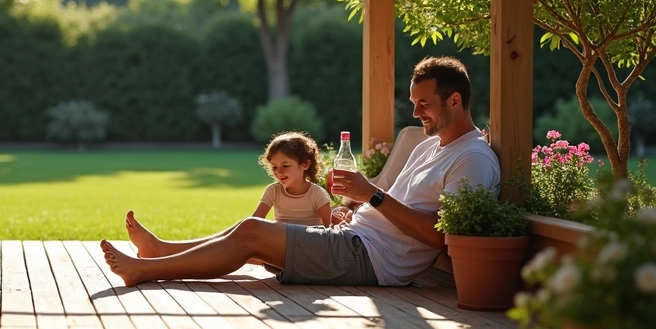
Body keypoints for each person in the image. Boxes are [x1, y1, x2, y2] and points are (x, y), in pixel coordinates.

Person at [101, 56, 500, 288]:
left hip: (371, 260)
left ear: (455, 99)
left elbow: (443, 235)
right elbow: (398, 206)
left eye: (424, 104)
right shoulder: (432, 145)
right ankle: (162, 251)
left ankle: (146, 269)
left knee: (251, 232)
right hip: (354, 237)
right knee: (250, 237)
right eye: (413, 103)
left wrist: (371, 195)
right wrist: (357, 210)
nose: (416, 113)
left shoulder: (473, 159)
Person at [251, 132, 332, 228]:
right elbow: (253, 223)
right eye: (274, 167)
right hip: (281, 240)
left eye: (285, 166)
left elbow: (329, 230)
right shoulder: (273, 191)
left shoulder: (317, 194)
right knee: (246, 224)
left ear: (305, 164)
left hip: (308, 241)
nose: (279, 172)